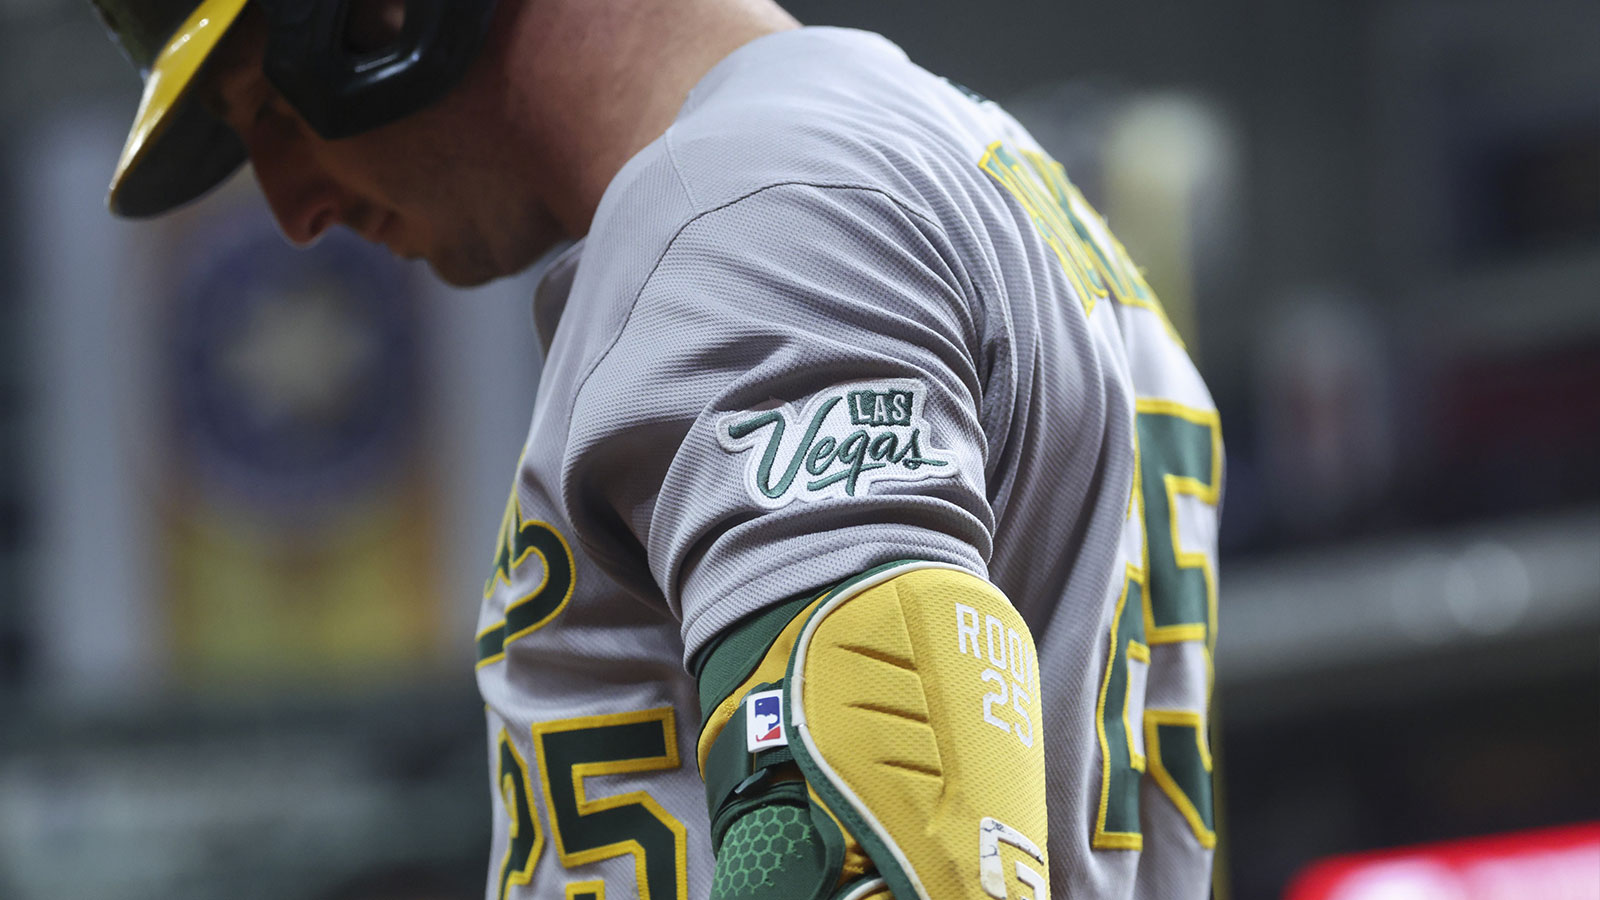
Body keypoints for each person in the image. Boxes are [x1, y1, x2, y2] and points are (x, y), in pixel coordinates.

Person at [92, 1, 1225, 898]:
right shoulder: (974, 162)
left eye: (272, 108)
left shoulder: (744, 215)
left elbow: (871, 844)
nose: (290, 209)